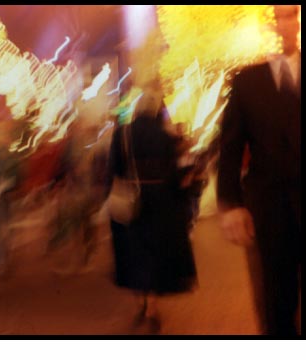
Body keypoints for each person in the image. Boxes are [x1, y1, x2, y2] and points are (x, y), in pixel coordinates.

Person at [217, 5, 301, 336]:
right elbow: (230, 147)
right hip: (270, 212)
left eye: (291, 15)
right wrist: (231, 203)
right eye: (278, 16)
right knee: (276, 304)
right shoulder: (246, 81)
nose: (285, 24)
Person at [108, 81, 198, 333]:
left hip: (131, 201)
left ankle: (139, 302)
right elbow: (182, 170)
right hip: (163, 203)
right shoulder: (168, 135)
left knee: (133, 253)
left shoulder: (122, 134)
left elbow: (113, 169)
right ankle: (152, 308)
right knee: (156, 255)